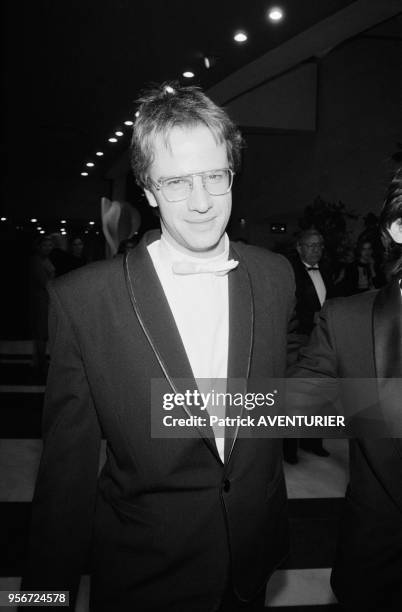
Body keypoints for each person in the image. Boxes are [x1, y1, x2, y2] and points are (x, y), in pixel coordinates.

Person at [22, 83, 296, 611]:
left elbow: (281, 401)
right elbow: (65, 481)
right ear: (147, 190)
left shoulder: (273, 276)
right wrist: (43, 601)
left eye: (215, 176)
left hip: (251, 563)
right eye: (176, 182)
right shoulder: (84, 300)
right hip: (145, 572)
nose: (201, 202)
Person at [290, 167, 402, 611]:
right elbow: (288, 402)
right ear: (398, 227)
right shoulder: (348, 322)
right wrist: (174, 403)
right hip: (381, 565)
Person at [284, 228, 333, 461]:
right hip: (299, 340)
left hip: (323, 340)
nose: (317, 250)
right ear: (299, 247)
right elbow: (286, 307)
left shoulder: (329, 270)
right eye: (312, 245)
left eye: (320, 245)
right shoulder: (289, 272)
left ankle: (313, 441)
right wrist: (308, 317)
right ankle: (289, 448)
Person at [29, 235, 55, 378]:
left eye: (50, 245)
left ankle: (40, 361)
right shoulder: (36, 260)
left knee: (43, 333)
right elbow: (43, 281)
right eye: (45, 245)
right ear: (38, 246)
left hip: (46, 299)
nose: (48, 247)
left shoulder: (45, 259)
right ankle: (41, 363)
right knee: (41, 333)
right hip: (40, 299)